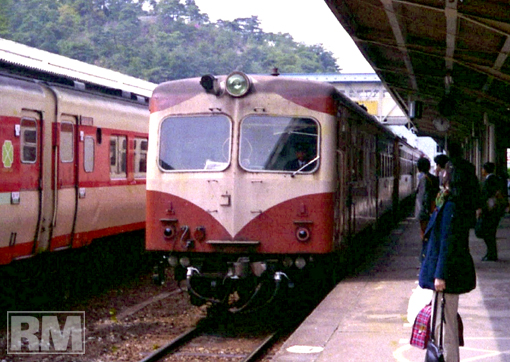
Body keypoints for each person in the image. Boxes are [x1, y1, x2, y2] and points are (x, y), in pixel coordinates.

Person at [419, 143, 479, 362]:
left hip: (446, 275)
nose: (440, 172)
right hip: (445, 273)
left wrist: (440, 275)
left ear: (452, 178)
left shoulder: (452, 207)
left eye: (445, 171)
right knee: (444, 323)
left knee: (445, 327)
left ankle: (449, 360)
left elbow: (448, 242)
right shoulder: (454, 204)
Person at [476, 162, 506, 261]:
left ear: (486, 170)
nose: (482, 171)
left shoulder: (489, 181)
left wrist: (480, 208)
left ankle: (491, 254)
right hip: (496, 210)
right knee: (491, 233)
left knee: (488, 233)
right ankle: (491, 253)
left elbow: (485, 196)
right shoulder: (498, 179)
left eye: (483, 169)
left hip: (489, 210)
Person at [415, 157, 440, 239]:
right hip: (434, 210)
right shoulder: (434, 178)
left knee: (425, 235)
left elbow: (424, 197)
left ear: (418, 168)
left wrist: (424, 211)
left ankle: (425, 251)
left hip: (426, 212)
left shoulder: (423, 179)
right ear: (429, 167)